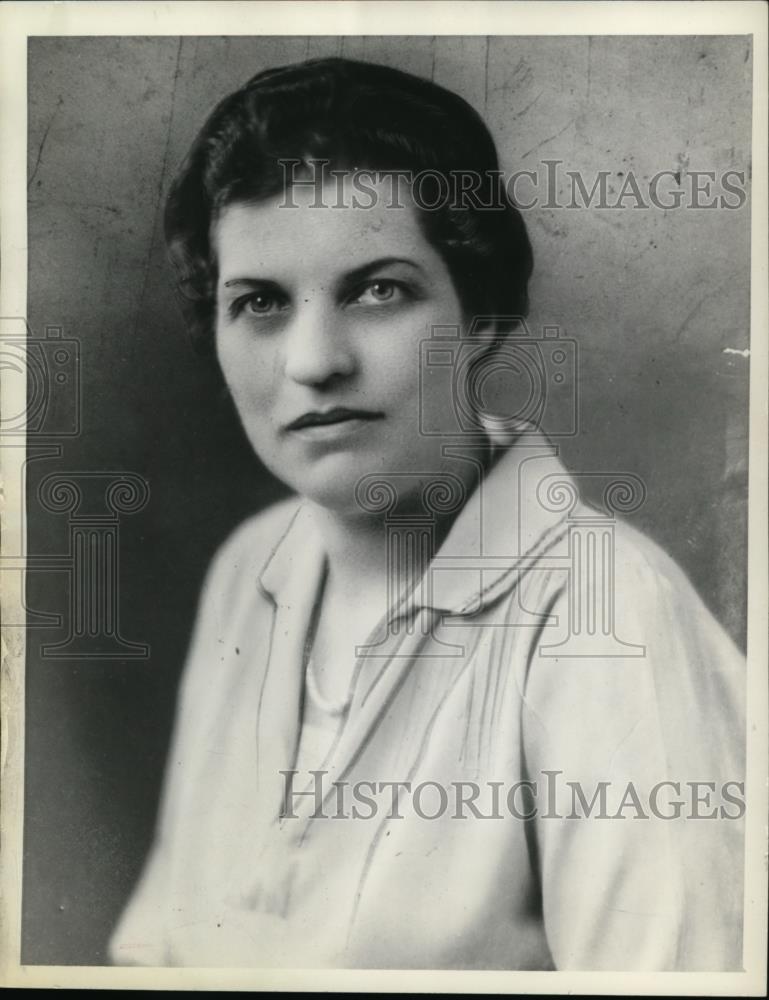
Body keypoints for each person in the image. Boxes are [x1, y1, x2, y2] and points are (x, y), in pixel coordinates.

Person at [109, 57, 745, 970]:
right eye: (258, 303)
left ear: (478, 310)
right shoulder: (250, 572)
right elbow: (158, 958)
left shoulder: (605, 618)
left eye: (378, 290)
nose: (313, 360)